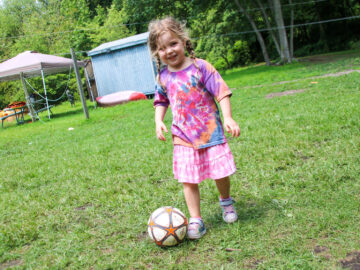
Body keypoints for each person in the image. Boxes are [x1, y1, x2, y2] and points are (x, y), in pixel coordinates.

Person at [148, 17, 240, 240]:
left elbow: (221, 91)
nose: (169, 51)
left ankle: (226, 201)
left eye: (173, 44)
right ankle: (196, 219)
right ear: (156, 53)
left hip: (211, 132)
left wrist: (227, 117)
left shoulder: (201, 67)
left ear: (183, 41)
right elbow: (161, 101)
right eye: (162, 48)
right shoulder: (163, 77)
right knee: (188, 180)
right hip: (183, 136)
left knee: (220, 173)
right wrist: (158, 121)